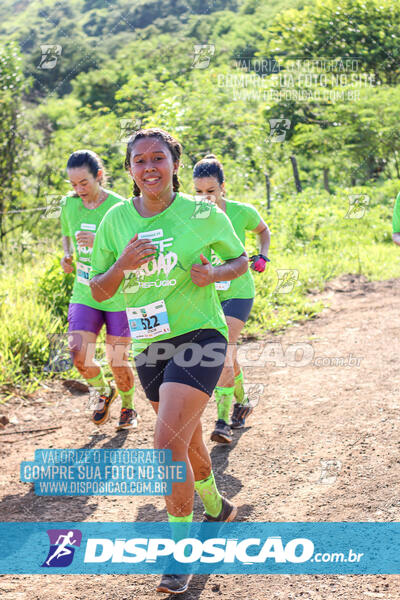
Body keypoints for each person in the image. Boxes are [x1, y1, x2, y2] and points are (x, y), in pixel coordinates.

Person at [89, 128, 248, 594]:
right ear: (129, 169)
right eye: (139, 161)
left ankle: (181, 555)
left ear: (175, 164)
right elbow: (99, 289)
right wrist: (122, 266)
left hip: (201, 335)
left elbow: (239, 260)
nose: (149, 167)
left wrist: (214, 273)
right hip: (149, 346)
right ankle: (217, 507)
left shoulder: (201, 212)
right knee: (185, 438)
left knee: (165, 443)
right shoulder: (115, 220)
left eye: (158, 158)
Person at [193, 154, 271, 444]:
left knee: (221, 352)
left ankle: (222, 421)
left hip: (238, 290)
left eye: (211, 191)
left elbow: (263, 231)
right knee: (229, 355)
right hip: (207, 293)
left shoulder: (241, 212)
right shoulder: (190, 215)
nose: (205, 198)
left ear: (223, 187)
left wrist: (262, 254)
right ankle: (244, 401)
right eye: (198, 192)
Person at [60, 149, 137, 430]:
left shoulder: (120, 207)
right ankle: (104, 391)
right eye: (73, 184)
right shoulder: (69, 205)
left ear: (99, 176)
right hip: (85, 291)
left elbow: (133, 251)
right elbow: (67, 237)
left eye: (84, 183)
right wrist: (66, 257)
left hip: (118, 293)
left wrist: (99, 241)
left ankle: (128, 406)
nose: (79, 190)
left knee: (118, 359)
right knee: (79, 354)